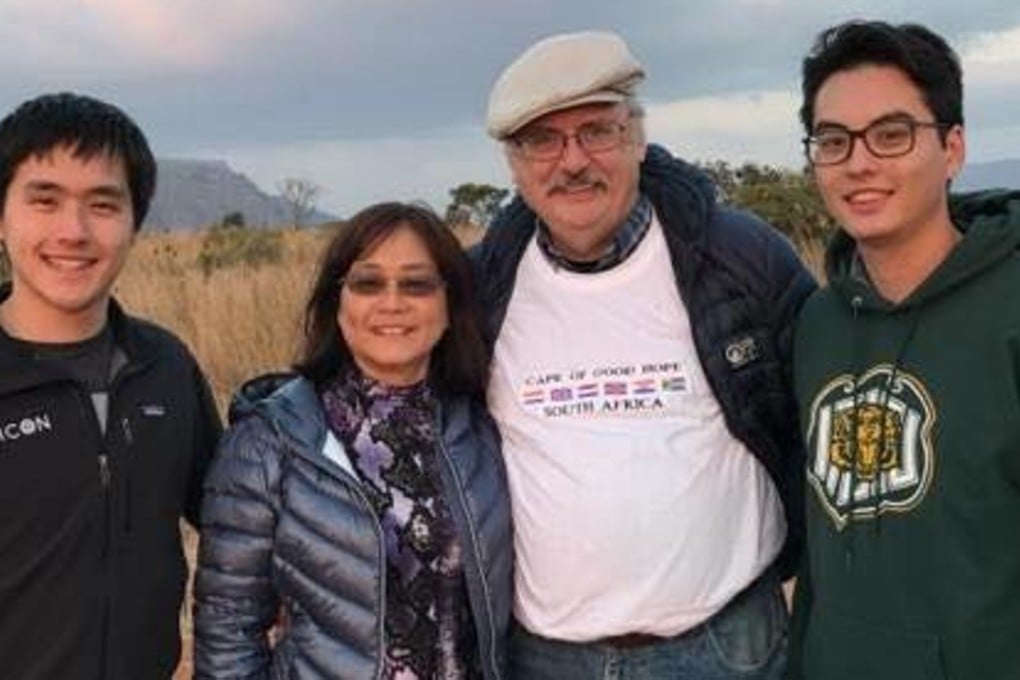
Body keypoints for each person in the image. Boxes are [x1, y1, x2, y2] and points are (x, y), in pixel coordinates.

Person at [472, 31, 815, 680]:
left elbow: (820, 418)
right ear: (514, 165)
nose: (571, 162)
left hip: (725, 649)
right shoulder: (481, 288)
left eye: (597, 131)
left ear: (636, 137)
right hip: (543, 660)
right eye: (542, 141)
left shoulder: (740, 259)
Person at [193, 202, 512, 679]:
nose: (392, 302)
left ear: (450, 305)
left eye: (417, 283)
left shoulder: (484, 427)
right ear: (336, 303)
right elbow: (228, 630)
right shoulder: (271, 440)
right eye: (368, 283)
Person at [790, 19, 1020, 680]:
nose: (859, 163)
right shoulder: (818, 323)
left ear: (953, 148)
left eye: (892, 135)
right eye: (833, 141)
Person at [0, 92, 221, 679]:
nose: (72, 231)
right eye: (44, 200)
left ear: (134, 222)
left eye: (102, 204)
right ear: (2, 215)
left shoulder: (166, 367)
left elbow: (230, 522)